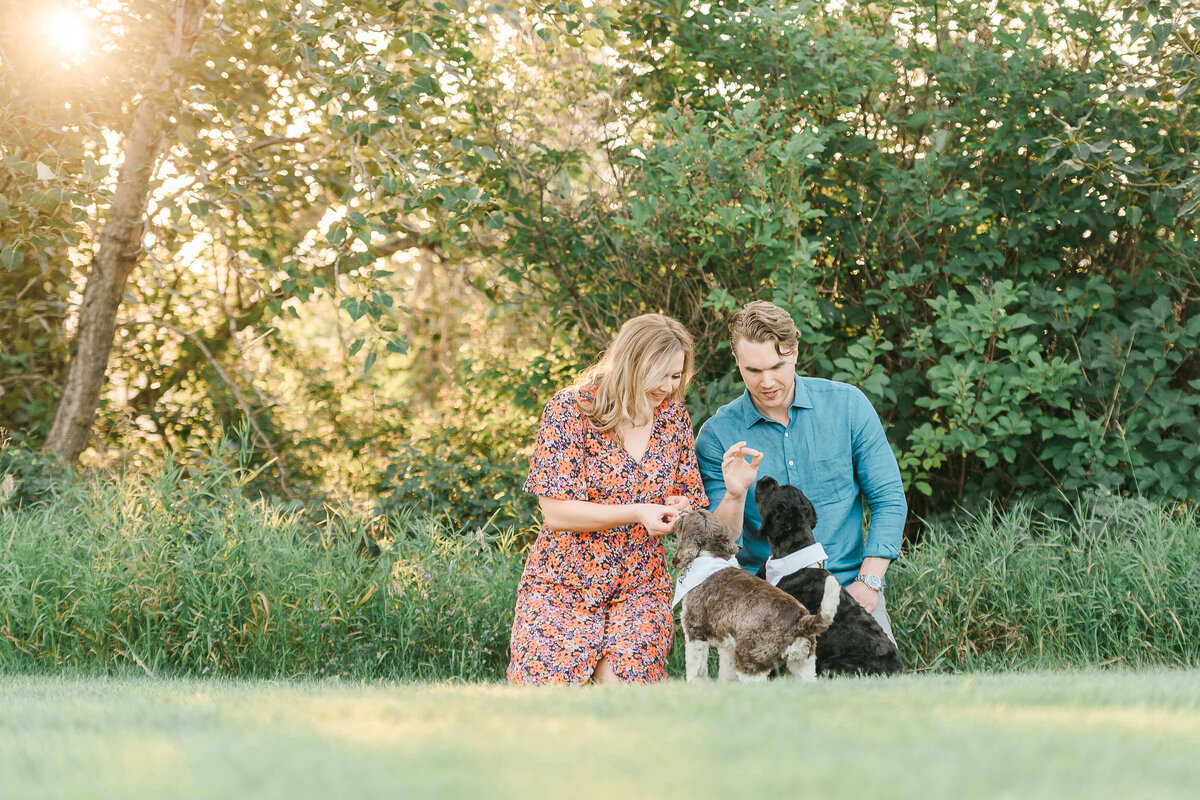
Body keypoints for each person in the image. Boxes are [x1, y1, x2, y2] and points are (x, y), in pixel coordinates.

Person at [507, 313, 709, 685]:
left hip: (640, 584)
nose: (668, 385)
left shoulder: (674, 418)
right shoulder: (570, 410)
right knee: (547, 691)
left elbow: (687, 494)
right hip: (563, 582)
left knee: (624, 685)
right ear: (631, 363)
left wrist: (679, 508)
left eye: (676, 375)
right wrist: (637, 511)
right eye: (659, 374)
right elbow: (556, 512)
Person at [696, 301, 908, 640]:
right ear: (737, 362)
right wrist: (735, 494)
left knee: (876, 688)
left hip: (849, 589)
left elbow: (889, 500)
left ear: (794, 352)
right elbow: (718, 543)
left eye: (777, 366)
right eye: (752, 370)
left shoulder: (848, 406)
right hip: (763, 600)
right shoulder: (717, 435)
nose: (766, 382)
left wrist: (869, 583)